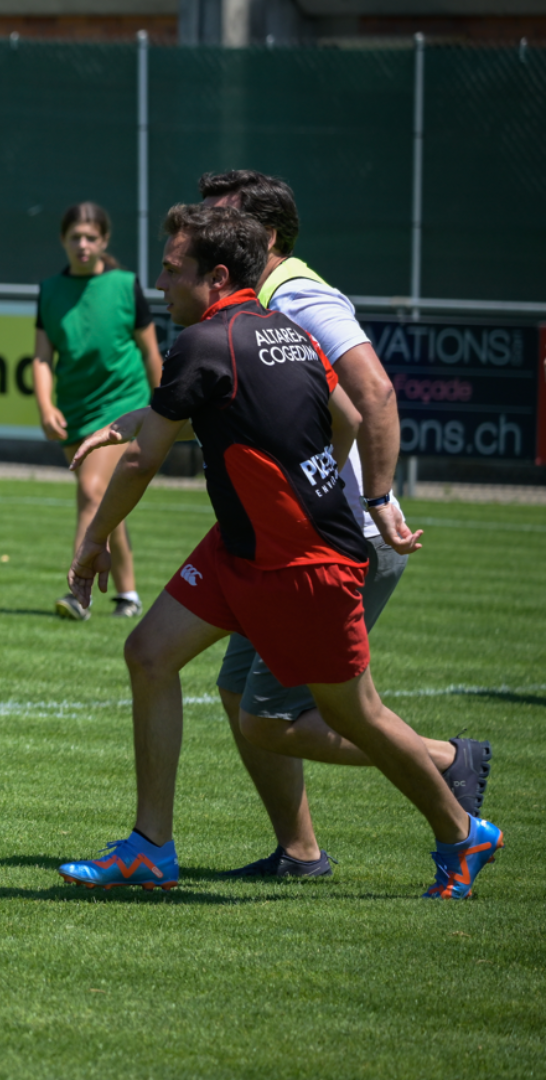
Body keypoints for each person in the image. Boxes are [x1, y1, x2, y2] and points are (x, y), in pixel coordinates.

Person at [56, 205, 503, 899]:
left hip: (300, 562)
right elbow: (346, 417)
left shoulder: (202, 344)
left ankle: (460, 832)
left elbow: (143, 462)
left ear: (218, 275)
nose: (160, 284)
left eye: (172, 272)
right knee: (149, 653)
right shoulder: (284, 331)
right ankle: (150, 848)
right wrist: (313, 478)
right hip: (247, 548)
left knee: (353, 713)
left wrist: (90, 547)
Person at [186, 169, 489, 878]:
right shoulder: (252, 298)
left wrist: (374, 497)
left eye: (218, 219)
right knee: (241, 693)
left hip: (331, 541)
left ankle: (449, 763)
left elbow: (371, 394)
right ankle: (299, 853)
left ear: (265, 236)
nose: (203, 233)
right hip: (293, 541)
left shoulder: (295, 293)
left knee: (285, 715)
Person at [32, 202, 163, 620]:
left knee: (91, 491)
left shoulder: (126, 285)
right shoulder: (50, 290)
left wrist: (164, 408)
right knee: (107, 500)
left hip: (124, 404)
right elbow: (41, 358)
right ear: (63, 241)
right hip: (75, 411)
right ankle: (128, 594)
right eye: (75, 237)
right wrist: (45, 405)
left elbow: (150, 352)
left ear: (104, 241)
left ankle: (77, 592)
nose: (83, 245)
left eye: (91, 237)